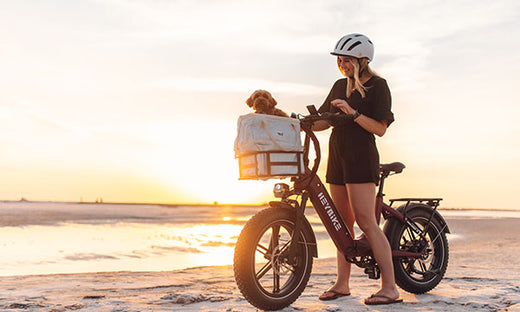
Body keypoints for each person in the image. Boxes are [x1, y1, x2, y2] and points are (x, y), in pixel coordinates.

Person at [312, 33, 402, 305]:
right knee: (342, 223)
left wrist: (352, 113)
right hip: (338, 156)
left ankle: (390, 287)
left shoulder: (378, 86)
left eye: (348, 60)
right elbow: (322, 122)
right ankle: (342, 284)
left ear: (363, 61)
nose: (343, 65)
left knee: (366, 222)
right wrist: (299, 121)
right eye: (340, 61)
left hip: (361, 156)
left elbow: (381, 129)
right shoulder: (339, 85)